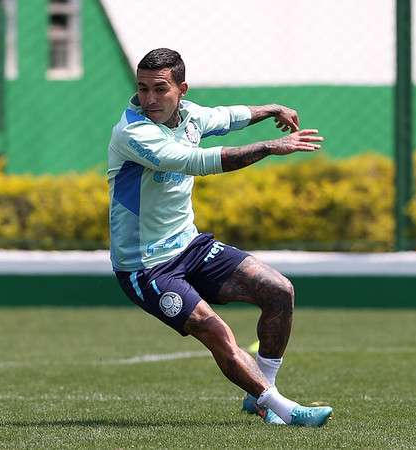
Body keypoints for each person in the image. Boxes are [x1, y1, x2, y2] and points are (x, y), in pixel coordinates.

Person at [107, 48, 332, 427]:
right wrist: (269, 147)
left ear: (181, 89)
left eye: (159, 89)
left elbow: (228, 117)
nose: (148, 99)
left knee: (279, 291)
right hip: (146, 267)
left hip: (190, 247)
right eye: (142, 89)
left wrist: (271, 108)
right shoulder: (134, 132)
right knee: (215, 330)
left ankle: (261, 395)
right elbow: (198, 162)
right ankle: (283, 409)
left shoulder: (191, 115)